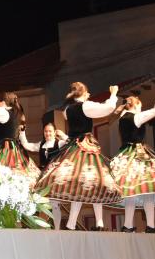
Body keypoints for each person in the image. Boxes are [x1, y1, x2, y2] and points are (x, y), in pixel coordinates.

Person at [35, 82, 123, 231]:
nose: (88, 95)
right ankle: (94, 223)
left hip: (73, 148)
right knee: (96, 181)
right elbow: (107, 108)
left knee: (84, 185)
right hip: (85, 148)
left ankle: (82, 223)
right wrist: (113, 94)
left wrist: (84, 99)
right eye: (87, 92)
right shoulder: (85, 106)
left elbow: (75, 111)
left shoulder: (67, 109)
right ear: (83, 92)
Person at [110, 84, 155, 233]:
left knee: (130, 192)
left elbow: (123, 112)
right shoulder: (136, 117)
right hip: (137, 156)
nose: (141, 109)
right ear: (136, 105)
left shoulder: (122, 118)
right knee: (147, 191)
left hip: (124, 155)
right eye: (140, 106)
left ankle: (128, 225)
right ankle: (150, 226)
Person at [18, 123, 68, 230]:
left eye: (50, 131)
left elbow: (71, 142)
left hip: (53, 178)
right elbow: (27, 145)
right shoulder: (41, 144)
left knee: (54, 204)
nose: (47, 133)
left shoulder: (59, 143)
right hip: (42, 178)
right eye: (46, 131)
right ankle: (35, 225)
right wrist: (22, 132)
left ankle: (57, 229)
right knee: (37, 201)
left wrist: (63, 135)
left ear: (54, 132)